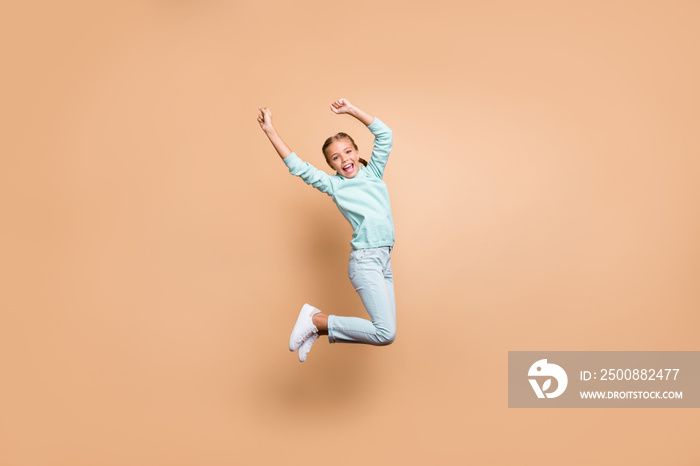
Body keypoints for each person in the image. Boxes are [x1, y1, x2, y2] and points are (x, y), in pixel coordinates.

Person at [257, 98, 396, 362]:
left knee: (389, 333)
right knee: (384, 333)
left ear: (356, 152)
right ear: (331, 166)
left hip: (383, 262)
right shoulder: (334, 185)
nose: (344, 159)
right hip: (366, 261)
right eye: (335, 157)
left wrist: (351, 110)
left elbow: (385, 135)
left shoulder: (374, 173)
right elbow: (297, 166)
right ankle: (316, 320)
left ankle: (317, 329)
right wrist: (270, 131)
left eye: (347, 151)